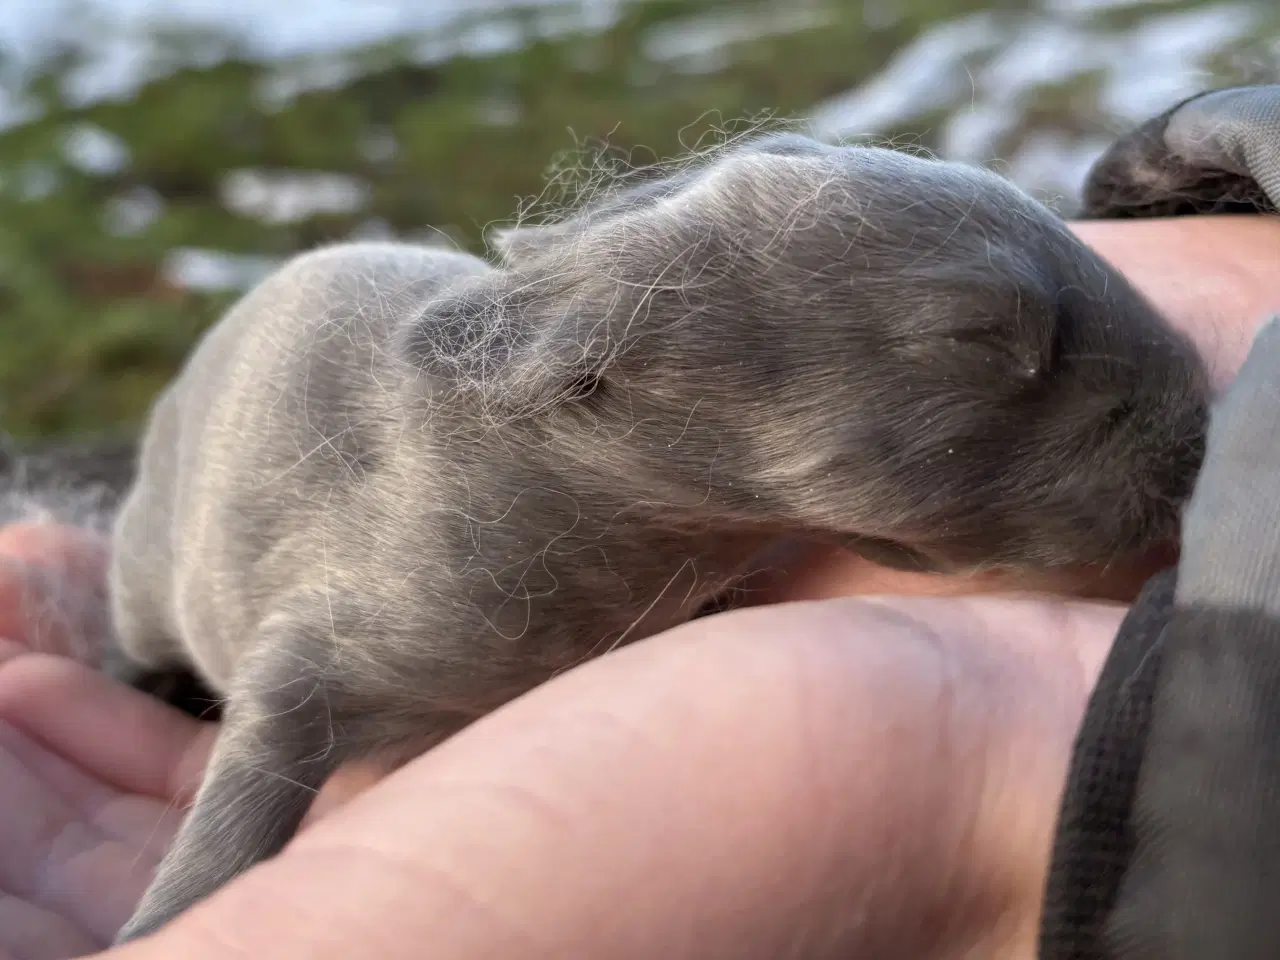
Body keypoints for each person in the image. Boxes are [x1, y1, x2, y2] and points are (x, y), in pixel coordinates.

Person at [2, 88, 1279, 960]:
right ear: (676, 372)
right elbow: (296, 699)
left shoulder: (729, 497)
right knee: (147, 627)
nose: (1186, 422)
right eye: (988, 348)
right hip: (225, 474)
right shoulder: (437, 551)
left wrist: (1018, 750)